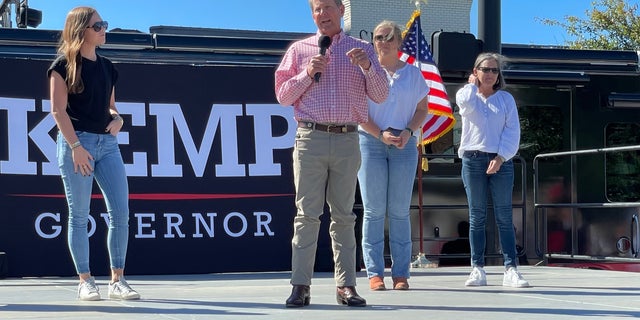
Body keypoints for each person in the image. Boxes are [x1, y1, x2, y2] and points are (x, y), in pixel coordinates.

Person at [275, 0, 388, 308]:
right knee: (306, 215)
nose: (322, 14)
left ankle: (346, 286)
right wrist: (306, 73)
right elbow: (283, 97)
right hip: (310, 137)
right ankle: (300, 285)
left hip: (347, 139)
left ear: (341, 9)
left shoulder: (361, 49)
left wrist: (367, 66)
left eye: (327, 7)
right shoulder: (299, 51)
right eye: (316, 9)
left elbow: (380, 95)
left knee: (344, 216)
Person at [48, 7, 140, 301]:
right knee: (78, 215)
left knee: (121, 214)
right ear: (81, 31)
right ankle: (85, 280)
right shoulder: (62, 65)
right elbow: (57, 111)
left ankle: (118, 280)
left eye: (104, 25)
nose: (103, 30)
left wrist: (118, 118)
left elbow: (111, 106)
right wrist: (75, 147)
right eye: (97, 25)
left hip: (107, 144)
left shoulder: (108, 66)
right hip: (78, 143)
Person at [357, 20, 428, 291]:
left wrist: (409, 131)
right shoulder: (364, 71)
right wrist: (380, 135)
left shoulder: (414, 75)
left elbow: (423, 109)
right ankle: (374, 273)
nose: (382, 41)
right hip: (370, 142)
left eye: (388, 37)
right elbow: (359, 114)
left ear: (399, 42)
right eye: (377, 37)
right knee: (373, 211)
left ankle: (401, 274)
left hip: (404, 144)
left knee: (399, 211)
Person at [455, 52, 529, 288]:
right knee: (477, 216)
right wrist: (470, 84)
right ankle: (477, 268)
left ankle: (511, 268)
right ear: (475, 72)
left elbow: (512, 132)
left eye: (494, 70)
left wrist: (500, 157)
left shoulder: (506, 99)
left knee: (504, 216)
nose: (489, 74)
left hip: (501, 161)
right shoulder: (468, 95)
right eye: (485, 69)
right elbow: (463, 103)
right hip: (472, 159)